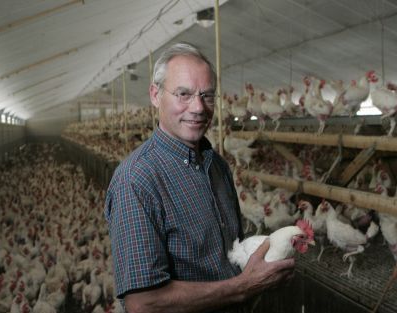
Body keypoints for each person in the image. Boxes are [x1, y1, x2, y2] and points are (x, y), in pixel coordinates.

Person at [104, 42, 295, 313]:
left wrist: (269, 264)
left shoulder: (217, 166)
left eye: (207, 96)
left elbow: (230, 257)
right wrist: (245, 286)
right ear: (155, 95)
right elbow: (144, 303)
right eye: (183, 94)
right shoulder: (137, 180)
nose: (198, 107)